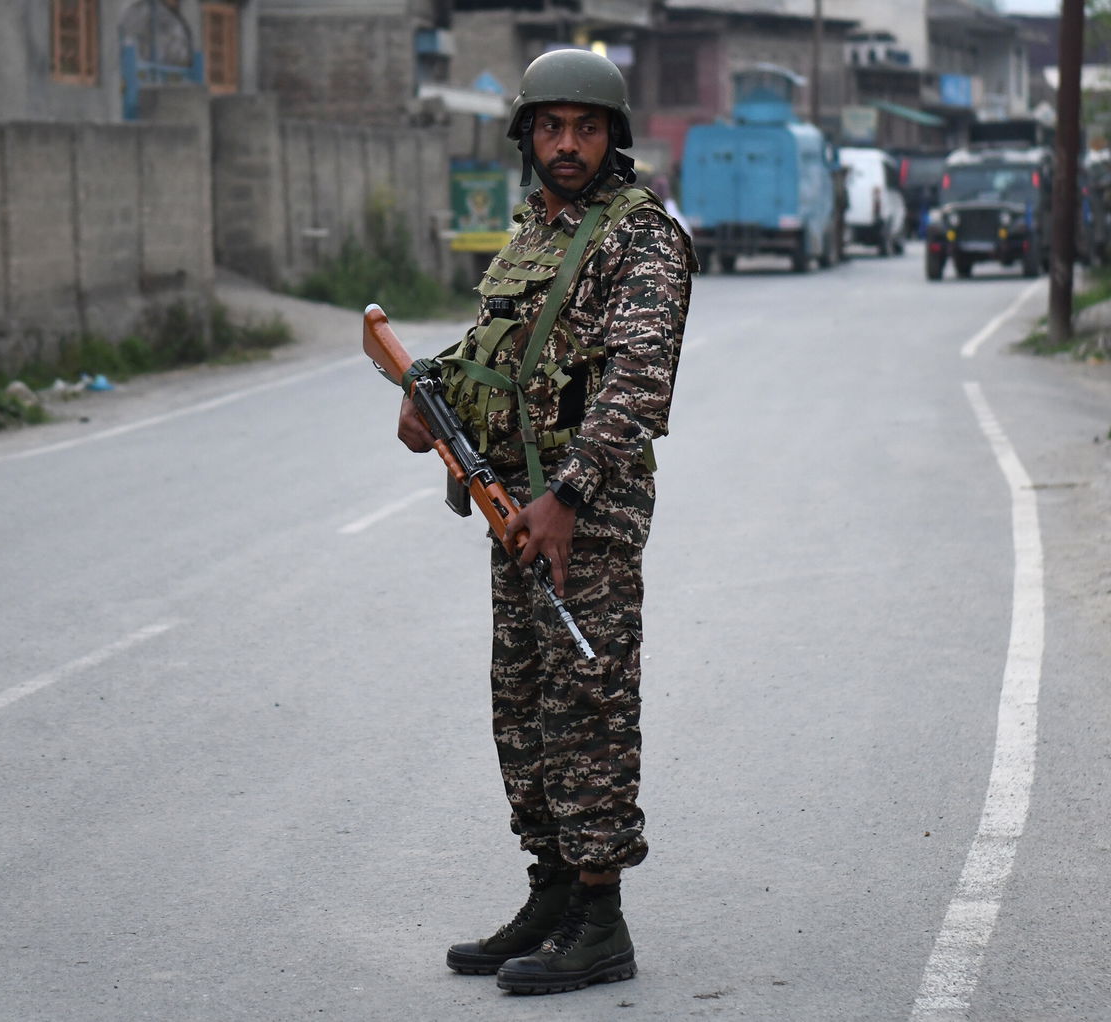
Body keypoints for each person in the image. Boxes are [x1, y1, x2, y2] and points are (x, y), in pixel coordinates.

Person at [394, 48, 695, 995]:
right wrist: (429, 388)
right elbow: (506, 343)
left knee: (586, 709)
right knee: (523, 707)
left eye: (586, 128)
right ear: (527, 135)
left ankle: (600, 920)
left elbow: (637, 384)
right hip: (515, 510)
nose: (568, 144)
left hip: (584, 515)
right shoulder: (536, 230)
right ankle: (552, 893)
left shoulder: (641, 239)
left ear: (614, 138)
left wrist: (566, 497)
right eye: (552, 127)